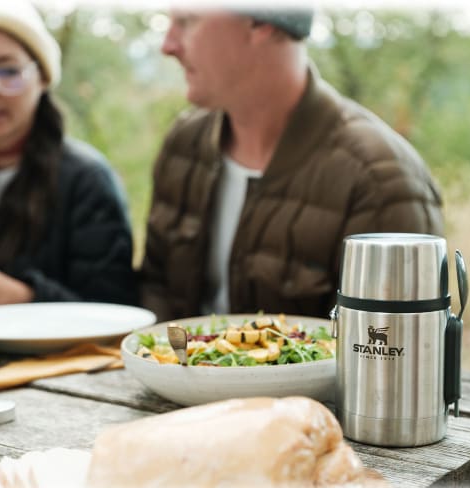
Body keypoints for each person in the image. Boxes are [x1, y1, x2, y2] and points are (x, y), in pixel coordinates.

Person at [139, 8, 445, 321]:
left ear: (260, 20)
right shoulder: (183, 144)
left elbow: (393, 350)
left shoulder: (380, 179)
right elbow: (154, 296)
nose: (168, 45)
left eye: (188, 21)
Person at [0, 1, 137, 307]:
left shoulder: (86, 179)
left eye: (8, 70)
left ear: (41, 78)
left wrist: (28, 296)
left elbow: (115, 308)